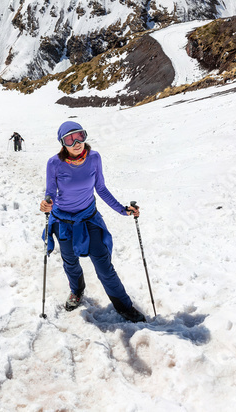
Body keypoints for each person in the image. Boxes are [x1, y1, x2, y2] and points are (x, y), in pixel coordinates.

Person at [40, 121, 145, 323]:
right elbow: (50, 193)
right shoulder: (54, 163)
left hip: (88, 219)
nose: (76, 142)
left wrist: (123, 210)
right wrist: (47, 204)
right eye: (69, 139)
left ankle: (124, 306)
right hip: (63, 221)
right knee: (70, 262)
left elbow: (101, 189)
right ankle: (76, 291)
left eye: (80, 135)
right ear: (62, 143)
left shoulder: (94, 158)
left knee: (104, 266)